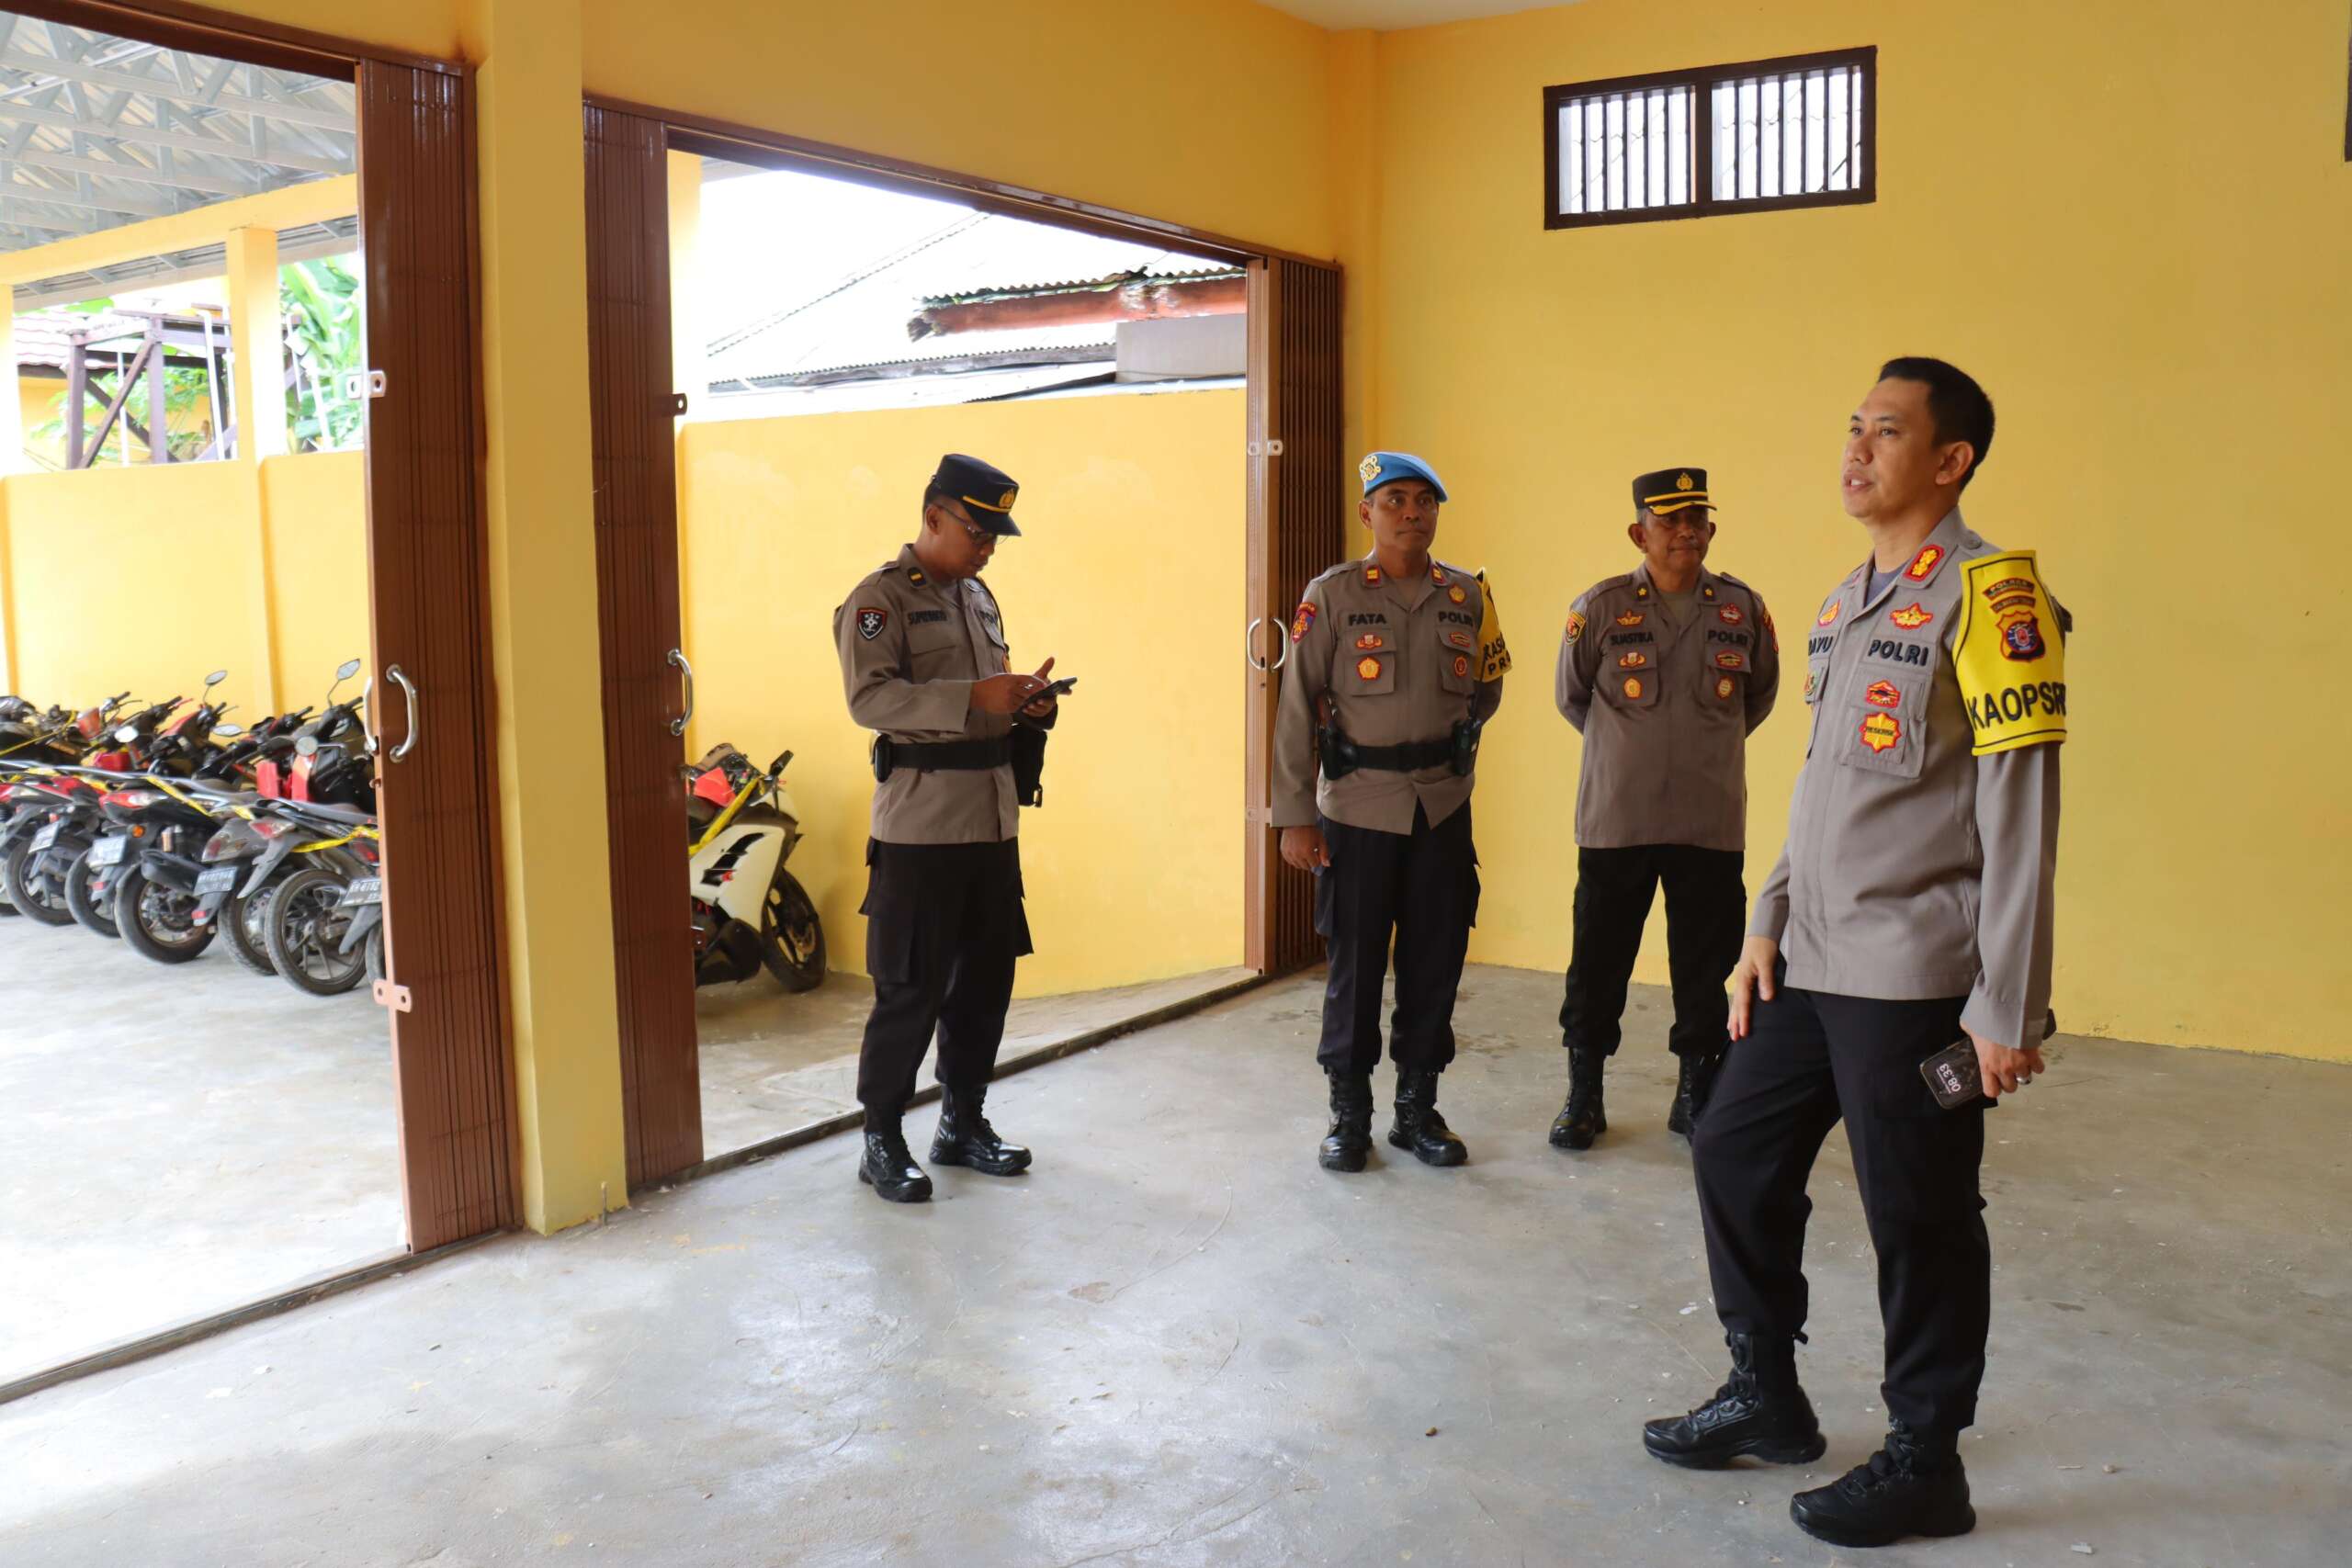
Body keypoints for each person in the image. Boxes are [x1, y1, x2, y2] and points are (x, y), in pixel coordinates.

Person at [1643, 359, 2068, 1551]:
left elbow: (2022, 814)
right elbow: (1821, 789)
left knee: (1918, 1211)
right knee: (1731, 1145)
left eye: (1887, 431)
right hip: (1813, 959)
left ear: (1951, 461)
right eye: (1853, 427)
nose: (1857, 449)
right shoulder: (1844, 604)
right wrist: (1764, 921)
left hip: (1912, 977)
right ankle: (1766, 1390)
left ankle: (1927, 1460)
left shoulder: (1993, 598)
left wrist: (2007, 1006)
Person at [831, 453, 1062, 1204]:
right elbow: (870, 700)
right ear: (933, 516)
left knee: (985, 984)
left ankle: (962, 1121)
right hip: (921, 829)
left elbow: (990, 699)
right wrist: (974, 696)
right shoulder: (880, 600)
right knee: (910, 989)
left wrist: (1028, 704)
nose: (988, 547)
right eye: (977, 531)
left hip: (991, 822)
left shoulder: (980, 598)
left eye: (996, 536)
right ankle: (881, 1138)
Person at [1272, 451, 1509, 1172]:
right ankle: (1350, 1115)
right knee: (1356, 965)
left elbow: (1488, 687)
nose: (1412, 513)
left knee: (1435, 962)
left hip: (1441, 806)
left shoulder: (1467, 595)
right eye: (1396, 499)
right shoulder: (1333, 595)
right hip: (1358, 808)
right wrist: (1294, 815)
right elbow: (1295, 705)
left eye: (1424, 501)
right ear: (1367, 512)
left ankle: (1416, 1109)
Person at [1553, 468, 1779, 1151]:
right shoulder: (1599, 607)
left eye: (1696, 520)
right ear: (1638, 533)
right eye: (1669, 520)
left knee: (1706, 966)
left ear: (1711, 529)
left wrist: (1699, 749)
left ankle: (1695, 1092)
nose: (1685, 532)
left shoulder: (1742, 608)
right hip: (1617, 819)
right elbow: (1573, 698)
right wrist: (1632, 753)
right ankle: (1584, 1096)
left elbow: (1758, 697)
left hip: (1709, 820)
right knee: (1598, 962)